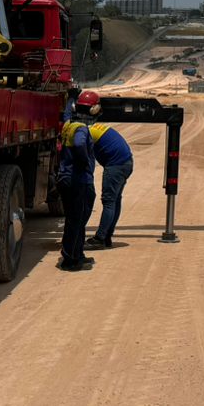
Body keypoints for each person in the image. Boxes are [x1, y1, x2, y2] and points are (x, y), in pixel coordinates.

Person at [77, 90, 134, 250]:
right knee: (115, 200)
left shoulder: (88, 130)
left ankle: (100, 238)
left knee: (108, 201)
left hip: (116, 165)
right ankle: (107, 236)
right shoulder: (96, 127)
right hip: (125, 162)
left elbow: (79, 145)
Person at [55, 89, 102, 270]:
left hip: (67, 179)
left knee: (76, 219)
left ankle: (77, 254)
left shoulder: (69, 124)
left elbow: (67, 113)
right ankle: (70, 259)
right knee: (76, 220)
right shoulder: (81, 129)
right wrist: (83, 161)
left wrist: (71, 98)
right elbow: (80, 144)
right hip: (78, 180)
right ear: (93, 111)